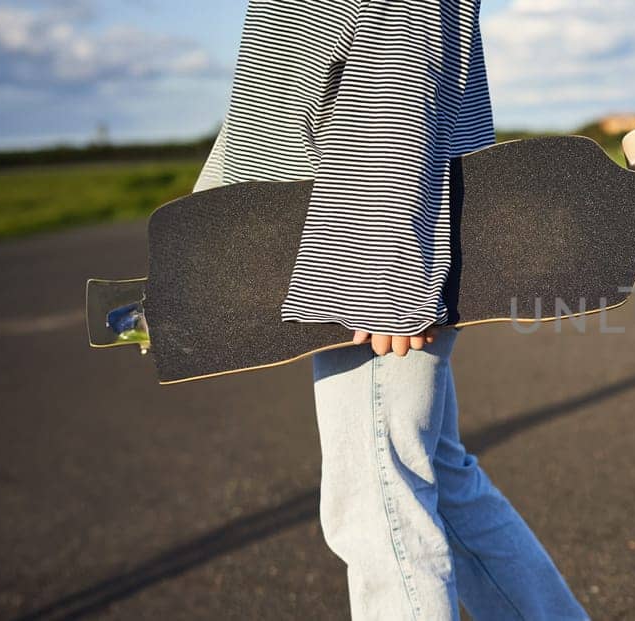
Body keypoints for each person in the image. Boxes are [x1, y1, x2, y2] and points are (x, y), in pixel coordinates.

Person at [195, 1, 587, 618]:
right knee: (438, 481)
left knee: (380, 510)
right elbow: (274, 81)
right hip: (334, 231)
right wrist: (215, 208)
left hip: (362, 245)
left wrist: (385, 280)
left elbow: (396, 54)